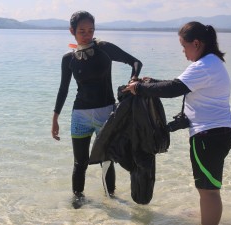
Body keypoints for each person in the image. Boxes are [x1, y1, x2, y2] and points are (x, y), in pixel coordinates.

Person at [124, 21, 231, 225]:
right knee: (208, 187)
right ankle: (206, 214)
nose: (183, 52)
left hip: (208, 136)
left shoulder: (204, 65)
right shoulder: (211, 63)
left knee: (208, 191)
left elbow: (174, 89)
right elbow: (180, 86)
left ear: (196, 43)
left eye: (184, 46)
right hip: (218, 132)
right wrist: (152, 82)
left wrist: (139, 88)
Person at [51, 11, 143, 205]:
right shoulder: (68, 59)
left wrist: (133, 80)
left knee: (107, 160)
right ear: (72, 31)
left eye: (91, 30)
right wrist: (55, 117)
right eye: (82, 31)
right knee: (80, 163)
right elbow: (63, 89)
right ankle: (78, 202)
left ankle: (112, 200)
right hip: (80, 116)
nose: (87, 34)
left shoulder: (104, 49)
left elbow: (135, 62)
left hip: (106, 114)